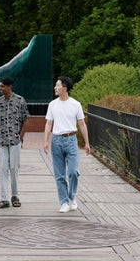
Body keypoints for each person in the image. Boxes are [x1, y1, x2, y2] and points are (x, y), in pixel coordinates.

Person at [43, 76, 91, 213]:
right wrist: (46, 141)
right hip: (57, 140)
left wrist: (87, 143)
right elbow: (48, 123)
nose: (55, 88)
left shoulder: (75, 104)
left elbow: (82, 124)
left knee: (74, 172)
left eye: (57, 85)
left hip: (71, 140)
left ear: (64, 88)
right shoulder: (52, 104)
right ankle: (64, 202)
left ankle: (72, 196)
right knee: (59, 174)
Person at [0, 76, 29, 209]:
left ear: (9, 87)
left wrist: (21, 136)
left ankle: (15, 195)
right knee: (2, 169)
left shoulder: (20, 100)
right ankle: (3, 198)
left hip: (15, 141)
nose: (0, 88)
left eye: (2, 86)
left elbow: (25, 119)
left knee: (14, 168)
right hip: (1, 140)